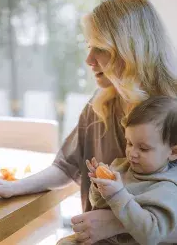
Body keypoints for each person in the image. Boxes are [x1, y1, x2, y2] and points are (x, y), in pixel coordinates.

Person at [0, 0, 177, 243]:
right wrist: (12, 187)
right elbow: (66, 167)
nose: (89, 59)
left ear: (131, 50)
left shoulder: (172, 110)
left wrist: (116, 222)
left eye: (101, 49)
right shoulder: (101, 103)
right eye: (88, 46)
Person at [56, 96, 177, 245]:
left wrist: (117, 194)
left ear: (173, 153)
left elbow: (151, 235)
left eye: (143, 148)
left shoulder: (167, 189)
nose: (132, 153)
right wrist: (99, 187)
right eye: (129, 143)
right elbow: (98, 203)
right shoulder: (122, 166)